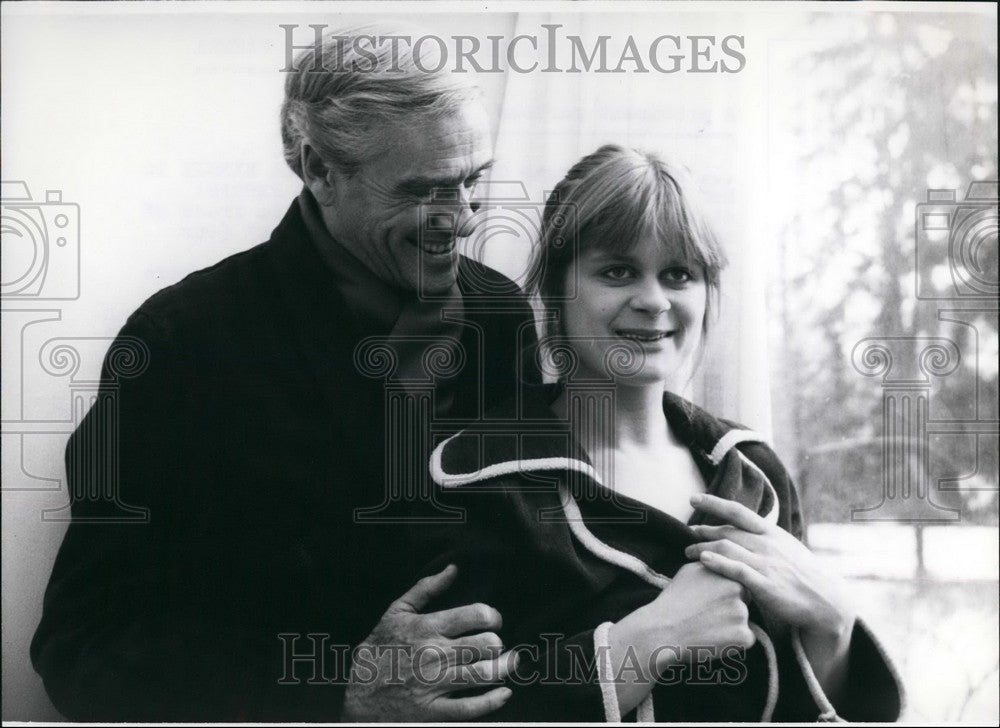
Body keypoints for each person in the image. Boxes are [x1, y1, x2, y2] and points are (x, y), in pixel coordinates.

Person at [30, 28, 534, 721]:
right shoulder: (181, 344)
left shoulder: (501, 315)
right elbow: (83, 648)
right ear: (318, 169)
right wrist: (339, 691)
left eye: (473, 180)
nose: (466, 220)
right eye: (425, 191)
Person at [411, 144, 906, 721]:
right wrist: (649, 641)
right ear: (555, 288)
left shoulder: (755, 471)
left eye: (678, 274)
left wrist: (835, 622)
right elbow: (452, 711)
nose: (652, 300)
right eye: (617, 271)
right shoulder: (478, 480)